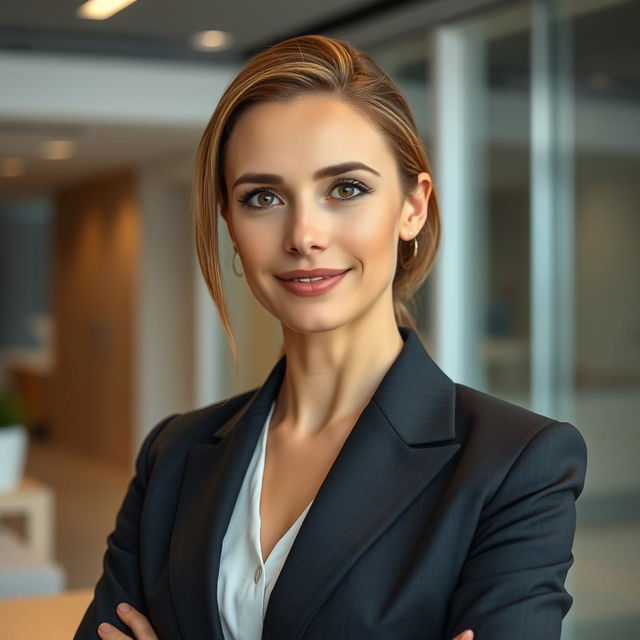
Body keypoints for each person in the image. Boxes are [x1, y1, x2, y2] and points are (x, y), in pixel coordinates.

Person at [73, 34, 587, 640]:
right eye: (263, 197)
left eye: (346, 189)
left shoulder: (514, 463)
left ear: (412, 208)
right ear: (231, 226)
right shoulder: (174, 453)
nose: (304, 234)